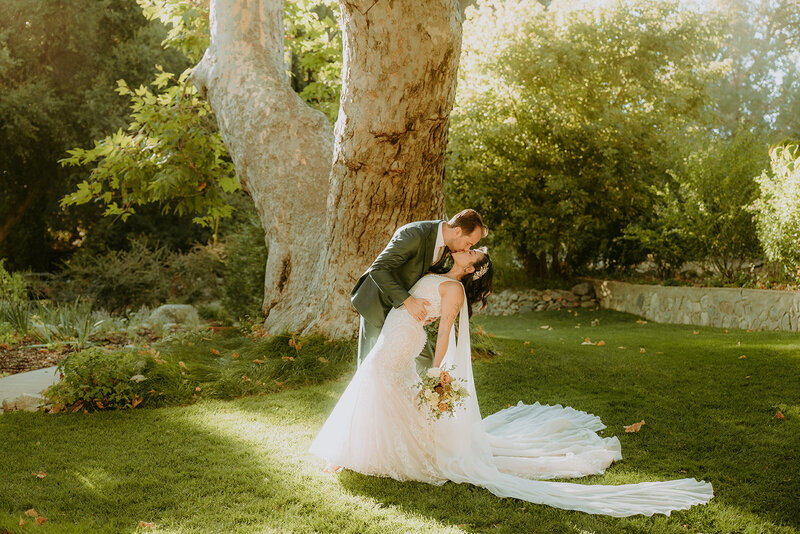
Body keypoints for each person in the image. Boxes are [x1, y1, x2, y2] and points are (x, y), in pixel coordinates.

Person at [309, 247, 714, 517]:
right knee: (379, 385)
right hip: (396, 338)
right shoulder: (434, 271)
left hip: (404, 344)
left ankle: (353, 452)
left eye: (470, 253)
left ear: (469, 268)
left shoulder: (452, 288)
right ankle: (356, 450)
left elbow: (446, 331)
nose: (463, 251)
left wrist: (436, 371)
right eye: (468, 247)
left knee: (378, 381)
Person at [350, 209, 487, 376]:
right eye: (468, 243)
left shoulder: (447, 247)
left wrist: (431, 308)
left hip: (407, 317)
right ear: (457, 231)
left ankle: (427, 397)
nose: (467, 248)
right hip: (379, 302)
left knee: (426, 363)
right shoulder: (414, 234)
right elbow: (378, 270)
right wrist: (409, 301)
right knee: (370, 364)